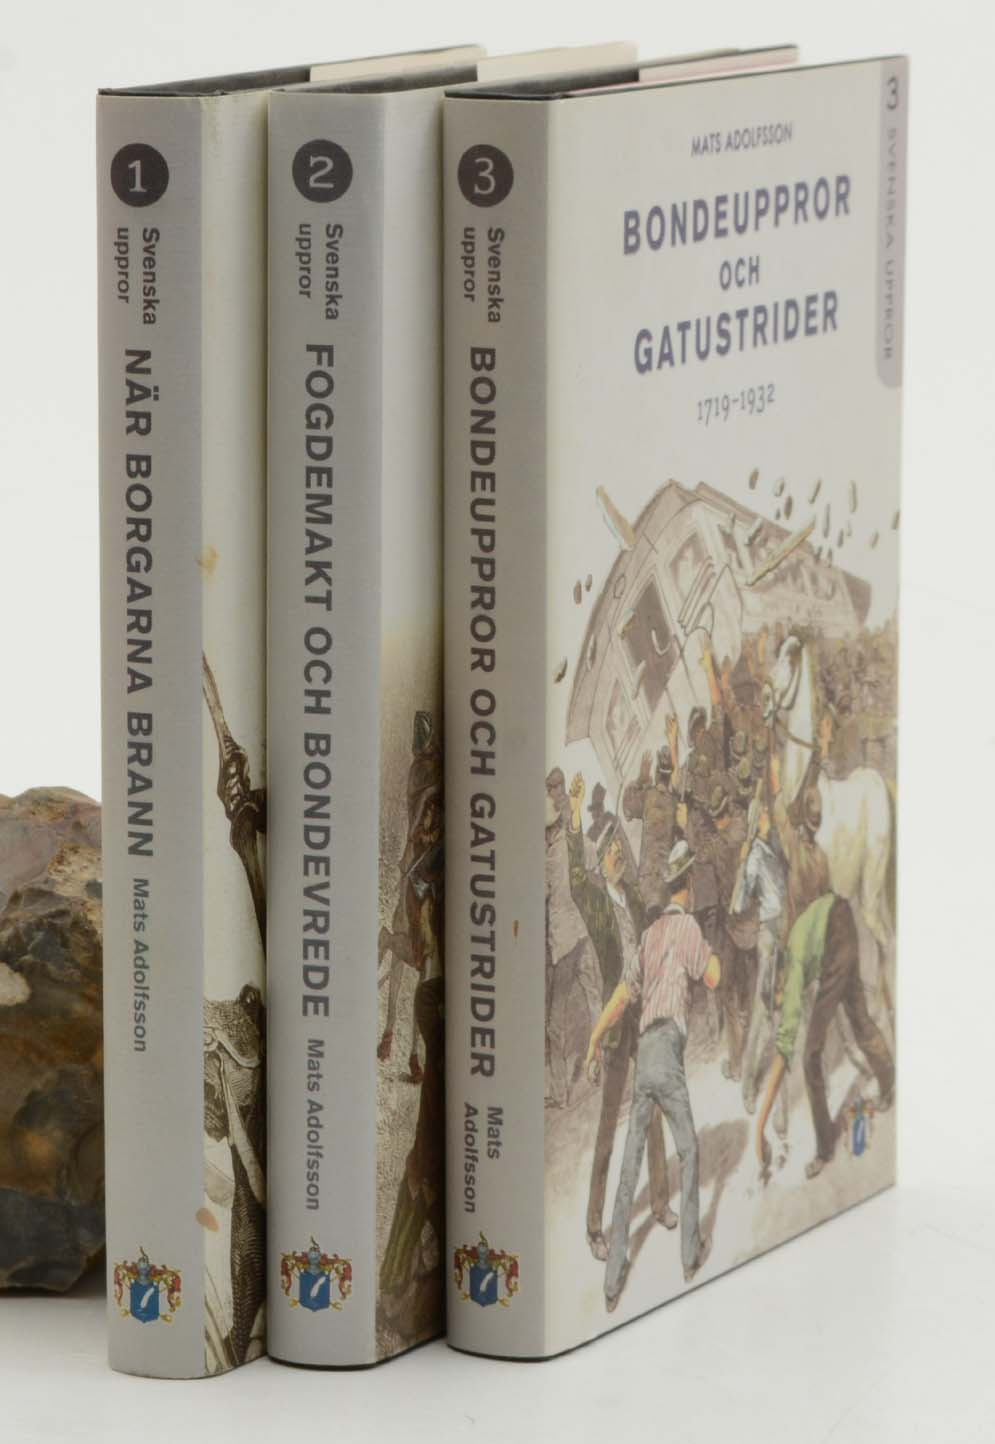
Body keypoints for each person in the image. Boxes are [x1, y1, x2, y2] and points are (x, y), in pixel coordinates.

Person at [587, 840, 720, 1309]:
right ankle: (689, 1254)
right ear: (690, 885)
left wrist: (593, 1037)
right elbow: (714, 977)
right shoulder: (688, 929)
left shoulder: (649, 935)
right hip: (666, 1049)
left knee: (630, 1165)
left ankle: (612, 1279)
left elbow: (624, 994)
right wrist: (711, 949)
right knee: (690, 1149)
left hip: (644, 1051)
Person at [754, 757, 895, 1178]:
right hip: (842, 922)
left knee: (811, 1054)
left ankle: (825, 1147)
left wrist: (759, 1126)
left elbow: (785, 1046)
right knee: (860, 1017)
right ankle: (889, 1080)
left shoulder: (795, 955)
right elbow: (785, 825)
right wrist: (777, 784)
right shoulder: (814, 857)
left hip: (831, 943)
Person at [566, 774, 675, 1260]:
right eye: (610, 849)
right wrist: (573, 816)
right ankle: (595, 1227)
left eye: (618, 846)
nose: (617, 853)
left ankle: (660, 1202)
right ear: (600, 859)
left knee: (652, 1112)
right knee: (609, 1126)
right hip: (615, 1026)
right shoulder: (595, 902)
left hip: (642, 1016)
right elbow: (574, 880)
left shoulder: (631, 895)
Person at [734, 795, 788, 1143]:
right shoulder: (755, 855)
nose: (769, 814)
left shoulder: (774, 845)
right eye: (765, 813)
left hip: (784, 929)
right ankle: (749, 1086)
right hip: (768, 934)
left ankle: (778, 1094)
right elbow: (741, 902)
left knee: (781, 1008)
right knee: (764, 1012)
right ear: (757, 822)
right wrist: (743, 869)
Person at [621, 744, 678, 913]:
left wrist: (640, 780)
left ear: (656, 773)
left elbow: (627, 809)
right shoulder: (674, 802)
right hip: (666, 879)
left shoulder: (648, 796)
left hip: (647, 880)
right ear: (669, 776)